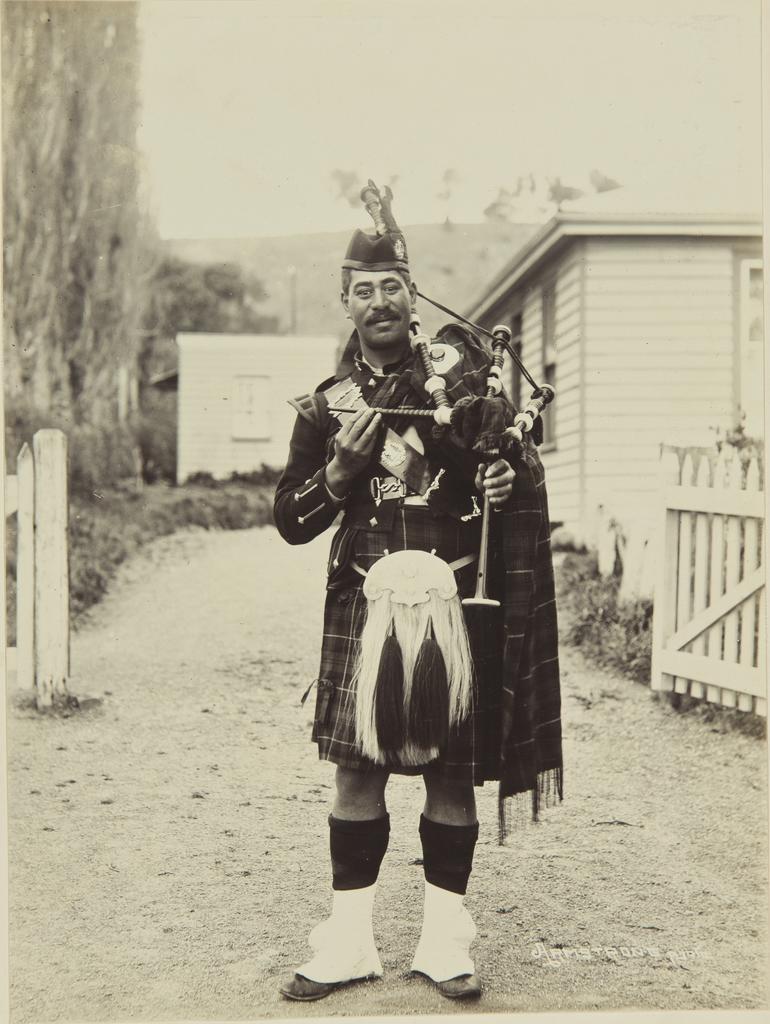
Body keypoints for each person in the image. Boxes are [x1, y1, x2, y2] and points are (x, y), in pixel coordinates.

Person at [273, 184, 562, 1003]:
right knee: (357, 776)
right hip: (363, 611)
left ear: (411, 291)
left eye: (392, 285)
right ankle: (348, 942)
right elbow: (291, 520)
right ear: (346, 301)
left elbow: (514, 472)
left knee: (447, 776)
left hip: (451, 608)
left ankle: (445, 941)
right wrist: (338, 471)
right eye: (362, 290)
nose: (379, 302)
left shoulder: (462, 390)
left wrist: (507, 474)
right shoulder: (325, 410)